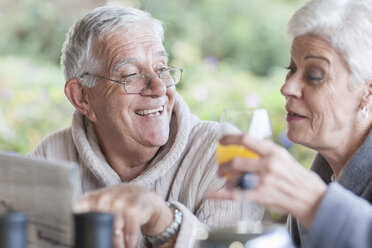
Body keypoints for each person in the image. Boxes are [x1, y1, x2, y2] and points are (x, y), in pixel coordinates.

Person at [28, 6, 259, 248]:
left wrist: (161, 219)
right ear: (82, 97)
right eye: (130, 75)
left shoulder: (225, 152)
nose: (159, 87)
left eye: (161, 69)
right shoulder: (49, 160)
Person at [206, 0, 372, 248]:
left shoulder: (310, 193)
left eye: (314, 75)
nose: (287, 87)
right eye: (291, 69)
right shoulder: (321, 179)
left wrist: (314, 203)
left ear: (366, 93)